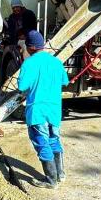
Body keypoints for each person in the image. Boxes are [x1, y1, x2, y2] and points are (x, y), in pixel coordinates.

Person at [18, 30, 69, 189]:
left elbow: (21, 86)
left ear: (31, 47)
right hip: (54, 111)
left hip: (37, 112)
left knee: (42, 143)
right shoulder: (56, 62)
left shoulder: (29, 63)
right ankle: (60, 174)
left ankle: (51, 180)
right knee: (54, 140)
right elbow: (65, 81)